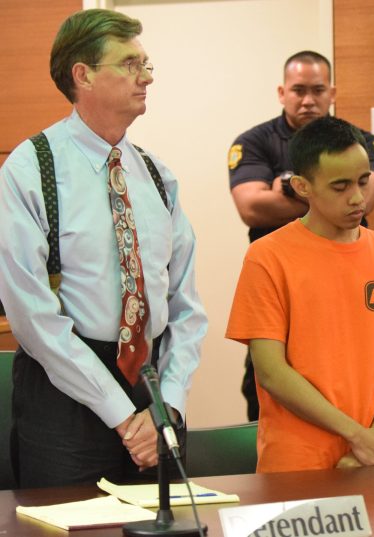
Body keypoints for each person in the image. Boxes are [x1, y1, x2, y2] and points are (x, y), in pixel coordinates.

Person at [0, 9, 207, 488]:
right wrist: (117, 413)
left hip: (151, 389)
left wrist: (167, 404)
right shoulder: (32, 169)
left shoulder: (156, 175)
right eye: (131, 64)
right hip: (63, 398)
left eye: (147, 63)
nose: (147, 77)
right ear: (83, 75)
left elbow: (186, 305)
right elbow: (31, 313)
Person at [226, 116, 374, 472]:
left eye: (363, 182)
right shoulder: (268, 256)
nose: (358, 198)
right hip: (297, 467)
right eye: (340, 187)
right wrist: (356, 434)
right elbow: (272, 371)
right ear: (302, 186)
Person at [228, 50, 374, 421]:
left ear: (332, 92)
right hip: (281, 282)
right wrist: (325, 200)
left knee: (355, 383)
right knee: (269, 388)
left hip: (349, 282)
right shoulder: (254, 142)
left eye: (317, 90)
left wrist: (285, 189)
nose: (308, 99)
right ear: (282, 92)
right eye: (298, 90)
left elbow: (369, 200)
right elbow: (251, 208)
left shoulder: (362, 140)